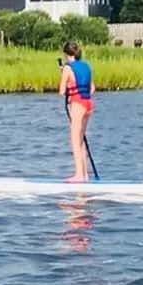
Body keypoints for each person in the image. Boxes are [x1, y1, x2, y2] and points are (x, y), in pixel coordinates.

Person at [58, 41, 95, 182]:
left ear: (66, 54)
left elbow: (62, 91)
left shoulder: (67, 68)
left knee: (74, 139)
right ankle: (84, 175)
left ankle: (79, 175)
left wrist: (65, 79)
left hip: (77, 104)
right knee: (81, 140)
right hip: (88, 104)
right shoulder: (87, 66)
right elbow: (92, 88)